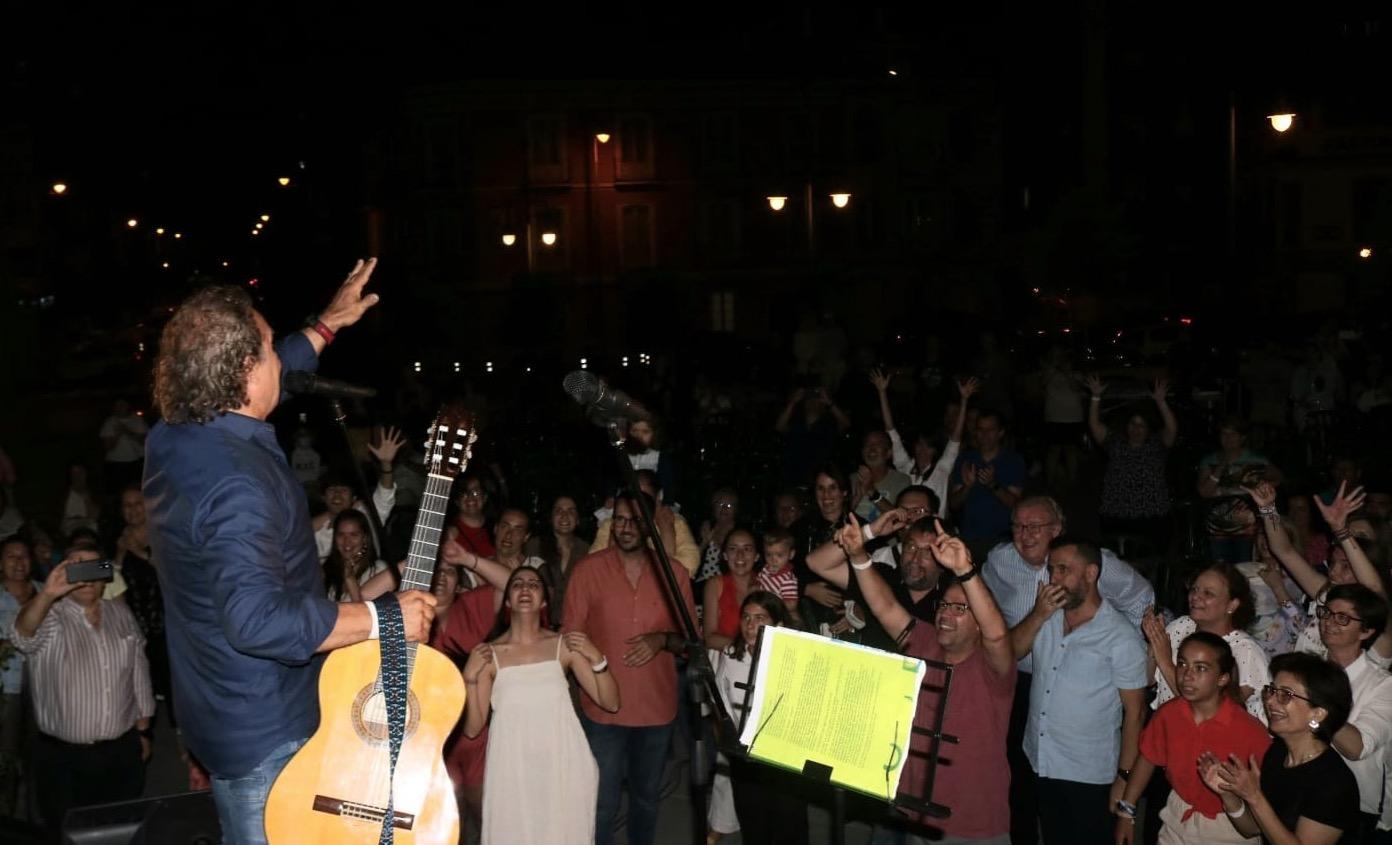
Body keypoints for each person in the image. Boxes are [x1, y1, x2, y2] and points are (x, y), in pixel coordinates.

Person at [142, 264, 437, 845]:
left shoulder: (175, 435)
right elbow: (257, 620)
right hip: (265, 732)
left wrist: (325, 327)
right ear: (245, 372)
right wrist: (384, 617)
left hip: (217, 706)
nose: (282, 356)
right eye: (272, 348)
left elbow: (274, 372)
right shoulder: (237, 484)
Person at [981, 497, 1153, 845]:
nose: (1053, 578)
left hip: (1089, 771)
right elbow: (1010, 653)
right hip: (1043, 759)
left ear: (1091, 574)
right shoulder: (1046, 617)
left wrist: (1123, 778)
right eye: (1052, 569)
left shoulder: (1120, 637)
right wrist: (1039, 614)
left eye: (1062, 570)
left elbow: (1135, 714)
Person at [836, 515, 1016, 845]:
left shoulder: (994, 667)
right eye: (945, 605)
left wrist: (966, 571)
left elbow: (998, 635)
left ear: (979, 623)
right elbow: (885, 607)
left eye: (961, 609)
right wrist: (859, 556)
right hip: (915, 810)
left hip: (972, 823)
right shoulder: (925, 641)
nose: (946, 614)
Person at [563, 490, 698, 845]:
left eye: (634, 520)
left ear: (650, 524)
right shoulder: (588, 571)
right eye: (619, 519)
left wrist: (662, 641)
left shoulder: (675, 574)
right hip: (601, 712)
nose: (625, 527)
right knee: (601, 804)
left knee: (646, 801)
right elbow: (570, 640)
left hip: (656, 712)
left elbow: (691, 646)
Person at [462, 566, 618, 845]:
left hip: (563, 764)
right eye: (517, 584)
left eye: (534, 584)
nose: (525, 588)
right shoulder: (488, 654)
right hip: (512, 769)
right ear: (508, 601)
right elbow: (473, 728)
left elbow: (611, 702)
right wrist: (469, 679)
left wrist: (597, 657)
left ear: (544, 600)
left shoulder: (564, 646)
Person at [9, 543, 155, 832]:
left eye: (94, 568)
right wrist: (48, 593)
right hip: (64, 759)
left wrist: (143, 730)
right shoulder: (50, 615)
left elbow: (139, 672)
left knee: (119, 830)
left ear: (106, 575)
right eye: (78, 568)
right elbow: (22, 635)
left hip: (121, 752)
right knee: (68, 833)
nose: (87, 579)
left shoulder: (121, 614)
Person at [1113, 633, 1272, 845]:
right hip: (1178, 814)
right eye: (1182, 664)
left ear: (1222, 678)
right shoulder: (1169, 714)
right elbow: (1148, 758)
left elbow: (1267, 793)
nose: (1187, 675)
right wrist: (1127, 811)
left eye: (1201, 668)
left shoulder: (1249, 730)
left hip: (1230, 825)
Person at [1200, 652, 1360, 845]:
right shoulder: (1278, 753)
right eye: (1272, 690)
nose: (1270, 701)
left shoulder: (1334, 782)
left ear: (1317, 714)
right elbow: (1252, 829)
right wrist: (1228, 793)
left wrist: (1254, 796)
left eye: (1286, 695)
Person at [708, 591, 804, 845]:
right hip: (746, 757)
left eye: (760, 618)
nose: (751, 626)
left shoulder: (794, 658)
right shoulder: (730, 655)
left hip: (784, 759)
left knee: (788, 826)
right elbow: (721, 704)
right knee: (754, 824)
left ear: (778, 624)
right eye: (746, 618)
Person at [1312, 583, 1392, 837]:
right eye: (1326, 613)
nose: (1329, 623)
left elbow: (1357, 748)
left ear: (1366, 630)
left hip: (1354, 807)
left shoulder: (1382, 684)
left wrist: (1313, 703)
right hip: (1300, 789)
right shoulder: (1307, 666)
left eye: (1343, 618)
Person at [1142, 563, 1271, 721]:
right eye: (1194, 589)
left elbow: (1212, 713)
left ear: (1232, 605)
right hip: (1169, 728)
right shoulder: (1182, 626)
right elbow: (1148, 680)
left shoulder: (1244, 650)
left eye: (1208, 593)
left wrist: (1165, 661)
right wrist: (1154, 641)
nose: (1196, 597)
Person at [1086, 376, 1177, 553]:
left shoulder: (1157, 444)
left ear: (1149, 428)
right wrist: (1096, 397)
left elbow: (1172, 429)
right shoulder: (1115, 442)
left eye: (1141, 425)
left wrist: (1161, 402)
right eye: (1133, 424)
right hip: (1117, 514)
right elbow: (1095, 425)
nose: (1136, 429)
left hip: (1153, 515)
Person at [871, 371, 979, 517]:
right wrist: (882, 392)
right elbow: (891, 432)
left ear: (935, 450)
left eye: (928, 446)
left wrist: (964, 400)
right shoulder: (905, 467)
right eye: (919, 445)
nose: (922, 449)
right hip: (909, 532)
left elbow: (955, 439)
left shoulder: (942, 468)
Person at [1196, 418, 1279, 564]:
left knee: (1246, 568)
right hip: (1217, 527)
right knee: (1221, 570)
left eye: (1232, 434)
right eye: (1224, 434)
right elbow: (1204, 492)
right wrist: (1220, 467)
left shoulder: (1255, 460)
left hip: (1248, 527)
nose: (1227, 439)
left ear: (1243, 437)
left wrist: (1258, 489)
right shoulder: (1210, 460)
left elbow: (1278, 478)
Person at [949, 410, 1026, 559]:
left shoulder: (1013, 461)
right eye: (981, 429)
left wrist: (993, 485)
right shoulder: (966, 459)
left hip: (1002, 540)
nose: (985, 435)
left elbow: (1016, 505)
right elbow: (954, 504)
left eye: (990, 430)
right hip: (970, 539)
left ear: (1000, 432)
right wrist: (968, 486)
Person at [0, 536, 39, 817]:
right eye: (11, 556)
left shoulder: (44, 592)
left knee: (40, 755)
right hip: (8, 687)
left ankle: (39, 816)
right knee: (7, 757)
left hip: (44, 686)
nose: (18, 562)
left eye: (23, 555)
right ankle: (8, 816)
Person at [525, 493, 592, 620]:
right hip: (539, 622)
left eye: (571, 511)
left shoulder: (586, 550)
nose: (564, 515)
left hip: (573, 624)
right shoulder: (534, 546)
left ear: (578, 519)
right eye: (558, 510)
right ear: (550, 517)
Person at [703, 528, 760, 650]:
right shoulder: (715, 585)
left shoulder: (768, 584)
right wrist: (746, 647)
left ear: (756, 556)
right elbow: (709, 638)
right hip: (726, 659)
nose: (740, 555)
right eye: (733, 549)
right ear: (725, 555)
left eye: (747, 549)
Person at [321, 509, 393, 602]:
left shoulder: (379, 570)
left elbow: (366, 613)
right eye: (341, 535)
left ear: (364, 538)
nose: (346, 541)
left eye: (353, 535)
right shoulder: (327, 569)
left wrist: (350, 580)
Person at [851, 430, 913, 522]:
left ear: (888, 452)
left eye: (878, 444)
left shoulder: (902, 481)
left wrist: (871, 491)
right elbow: (840, 517)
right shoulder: (851, 479)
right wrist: (857, 497)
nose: (871, 448)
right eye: (867, 444)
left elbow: (902, 520)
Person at [99, 398, 148, 496]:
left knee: (136, 491)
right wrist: (117, 434)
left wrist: (127, 431)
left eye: (122, 405)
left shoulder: (137, 420)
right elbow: (107, 446)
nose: (120, 408)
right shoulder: (110, 422)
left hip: (135, 463)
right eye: (118, 405)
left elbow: (144, 441)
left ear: (127, 406)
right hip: (115, 464)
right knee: (116, 493)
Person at [755, 527, 800, 622]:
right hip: (762, 609)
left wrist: (773, 604)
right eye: (769, 554)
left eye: (779, 555)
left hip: (778, 616)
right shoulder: (765, 569)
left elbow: (792, 604)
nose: (773, 559)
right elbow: (758, 582)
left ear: (791, 554)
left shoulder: (788, 579)